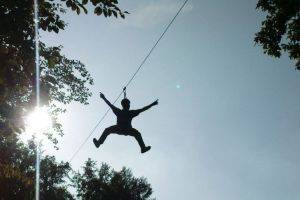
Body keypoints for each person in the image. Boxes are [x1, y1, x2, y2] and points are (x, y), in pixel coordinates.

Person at [93, 92, 158, 153]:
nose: (128, 106)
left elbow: (110, 105)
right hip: (127, 129)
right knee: (137, 133)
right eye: (128, 104)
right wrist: (153, 104)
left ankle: (99, 143)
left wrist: (103, 98)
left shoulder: (119, 111)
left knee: (107, 130)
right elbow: (143, 109)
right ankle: (143, 148)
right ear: (126, 105)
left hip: (120, 128)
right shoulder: (130, 112)